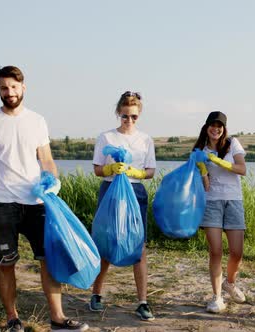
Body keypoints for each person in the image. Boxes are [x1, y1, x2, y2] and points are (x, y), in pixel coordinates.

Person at [0, 66, 88, 332]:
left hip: (37, 204)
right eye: (3, 88)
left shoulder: (37, 121)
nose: (9, 93)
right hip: (2, 205)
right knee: (6, 263)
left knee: (50, 260)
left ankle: (57, 318)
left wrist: (53, 181)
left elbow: (46, 159)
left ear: (23, 87)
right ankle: (13, 319)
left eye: (13, 87)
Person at [89, 91, 156, 321]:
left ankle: (143, 302)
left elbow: (150, 171)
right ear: (119, 113)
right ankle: (96, 294)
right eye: (125, 116)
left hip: (135, 191)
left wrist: (134, 172)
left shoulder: (145, 140)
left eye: (134, 117)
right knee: (107, 243)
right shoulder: (106, 137)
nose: (129, 121)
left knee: (139, 245)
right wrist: (110, 170)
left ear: (139, 115)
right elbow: (97, 168)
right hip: (111, 191)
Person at [192, 111, 247, 313]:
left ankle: (230, 283)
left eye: (220, 125)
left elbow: (242, 169)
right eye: (212, 125)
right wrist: (203, 171)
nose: (216, 128)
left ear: (224, 129)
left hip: (234, 201)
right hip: (211, 203)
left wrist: (218, 161)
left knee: (237, 252)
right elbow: (201, 181)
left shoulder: (233, 144)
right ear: (206, 127)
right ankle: (217, 297)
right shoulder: (200, 149)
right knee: (215, 251)